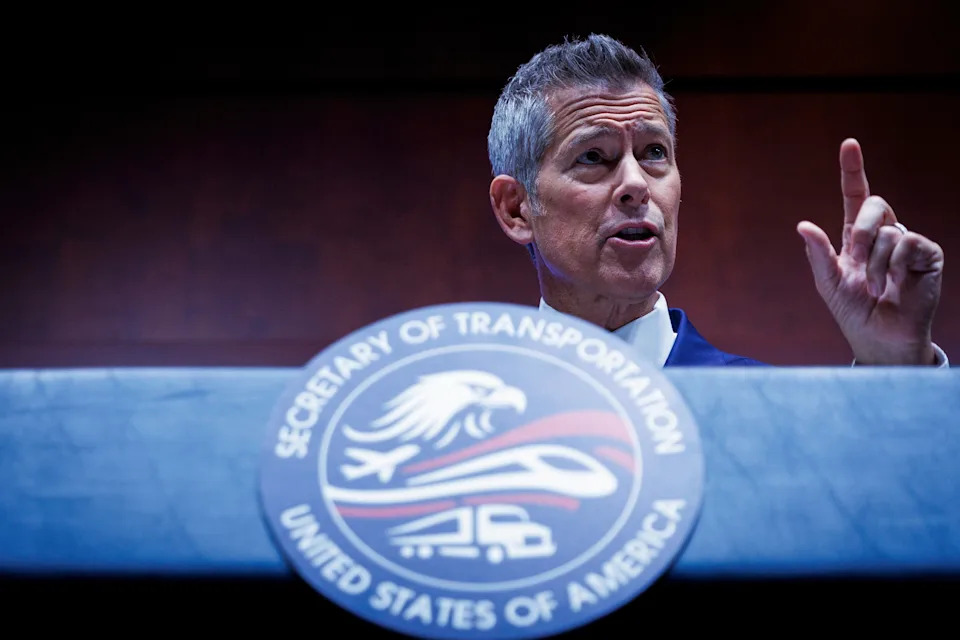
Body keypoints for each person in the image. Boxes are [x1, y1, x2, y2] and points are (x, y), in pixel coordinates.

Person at [487, 34, 946, 367]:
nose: (637, 183)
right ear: (515, 209)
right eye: (593, 156)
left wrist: (896, 371)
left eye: (654, 153)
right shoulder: (466, 407)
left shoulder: (768, 408)